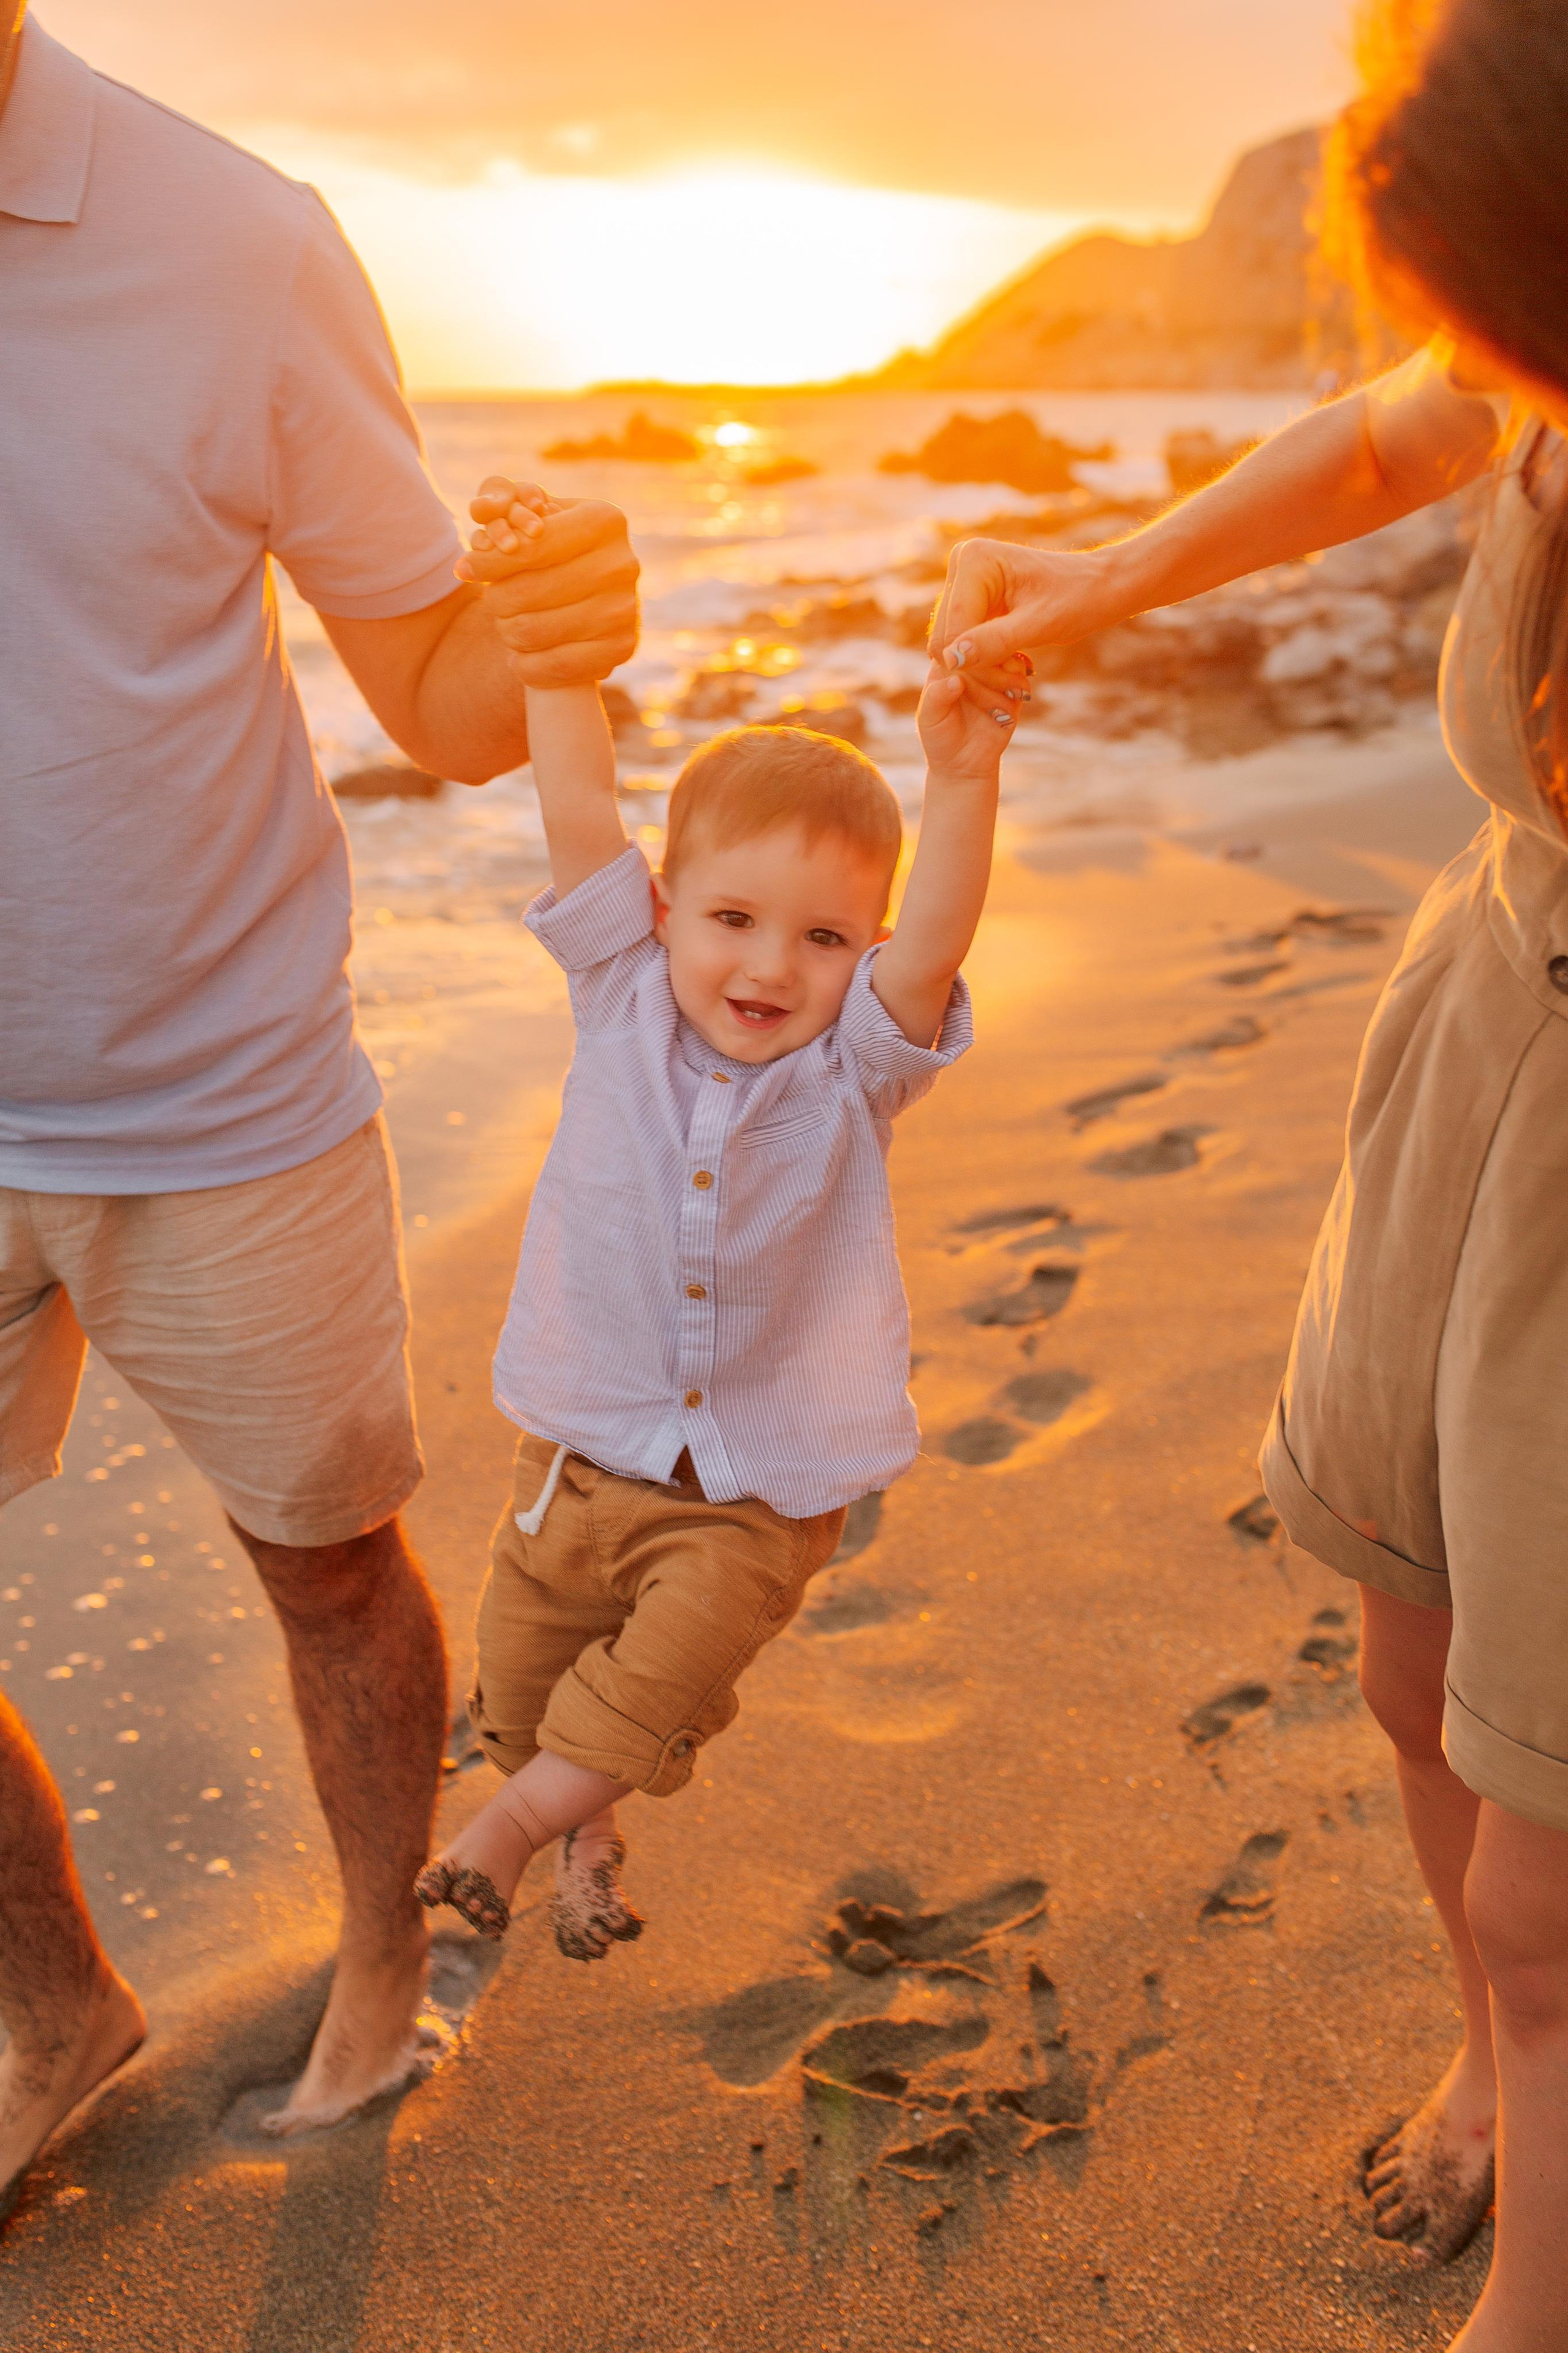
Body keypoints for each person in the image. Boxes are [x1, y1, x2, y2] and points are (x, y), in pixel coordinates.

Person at [933, 4, 1568, 2343]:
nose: (1493, 376)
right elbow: (1386, 437)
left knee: (1552, 1848)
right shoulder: (1525, 355)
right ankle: (1500, 2060)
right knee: (1410, 1653)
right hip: (1487, 1026)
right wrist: (1092, 594)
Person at [0, 8, 638, 2196]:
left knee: (329, 1568)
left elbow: (439, 695)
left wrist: (557, 629)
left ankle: (385, 1958)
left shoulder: (236, 244)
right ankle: (53, 2004)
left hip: (217, 1093)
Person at [412, 483, 1021, 1950]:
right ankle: (582, 1834)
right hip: (581, 1450)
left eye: (822, 938)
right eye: (732, 919)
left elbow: (939, 927)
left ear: (866, 952)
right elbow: (577, 800)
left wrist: (963, 775)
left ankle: (505, 1839)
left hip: (755, 1488)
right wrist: (551, 648)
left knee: (640, 1692)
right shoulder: (617, 992)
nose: (769, 967)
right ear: (662, 906)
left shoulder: (855, 1067)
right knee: (524, 1702)